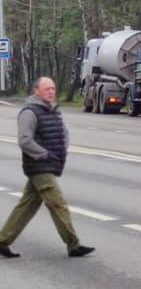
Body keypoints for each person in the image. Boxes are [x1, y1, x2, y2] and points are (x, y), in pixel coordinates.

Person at [0, 77, 94, 259]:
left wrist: (62, 149)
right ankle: (73, 245)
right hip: (39, 165)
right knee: (58, 204)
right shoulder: (29, 112)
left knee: (27, 205)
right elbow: (25, 140)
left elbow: (63, 132)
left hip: (50, 163)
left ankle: (3, 240)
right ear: (36, 91)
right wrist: (44, 154)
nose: (51, 92)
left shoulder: (53, 110)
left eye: (53, 88)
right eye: (46, 89)